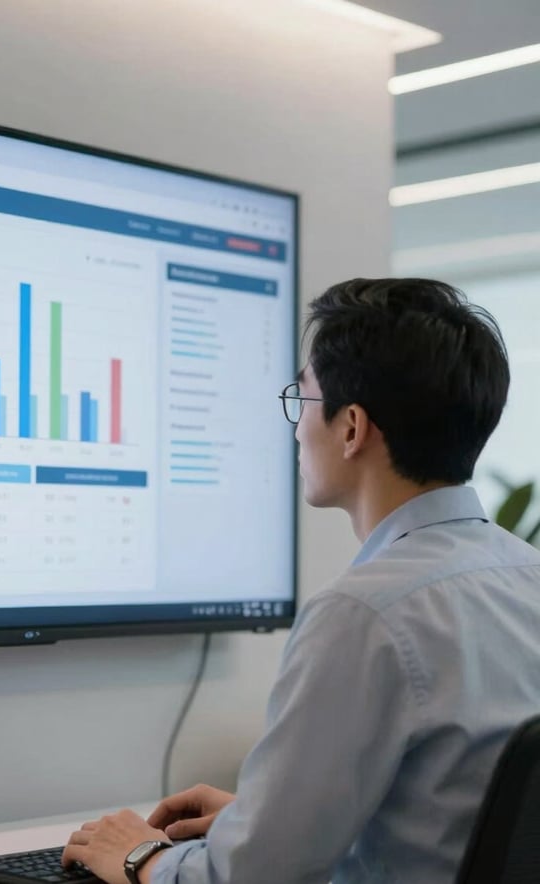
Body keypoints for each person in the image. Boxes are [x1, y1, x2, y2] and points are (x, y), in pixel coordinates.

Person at [62, 277, 540, 884]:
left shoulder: (366, 613)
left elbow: (250, 880)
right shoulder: (527, 576)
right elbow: (461, 818)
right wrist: (263, 821)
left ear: (351, 428)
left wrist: (139, 855)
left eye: (303, 400)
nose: (294, 427)